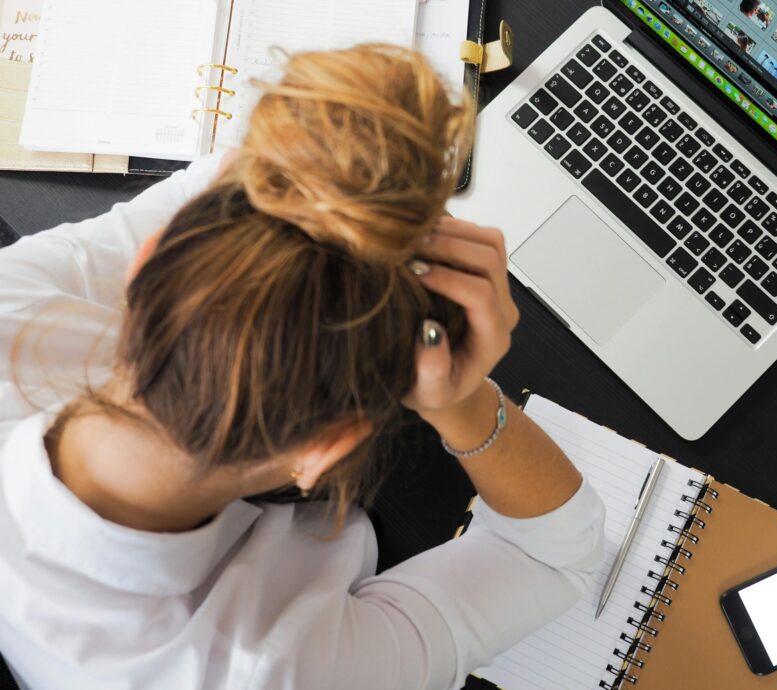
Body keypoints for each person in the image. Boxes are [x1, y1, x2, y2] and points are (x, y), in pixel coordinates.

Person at [0, 45, 605, 689]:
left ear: (146, 262)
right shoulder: (274, 673)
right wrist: (462, 403)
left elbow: (226, 177)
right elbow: (554, 553)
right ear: (323, 455)